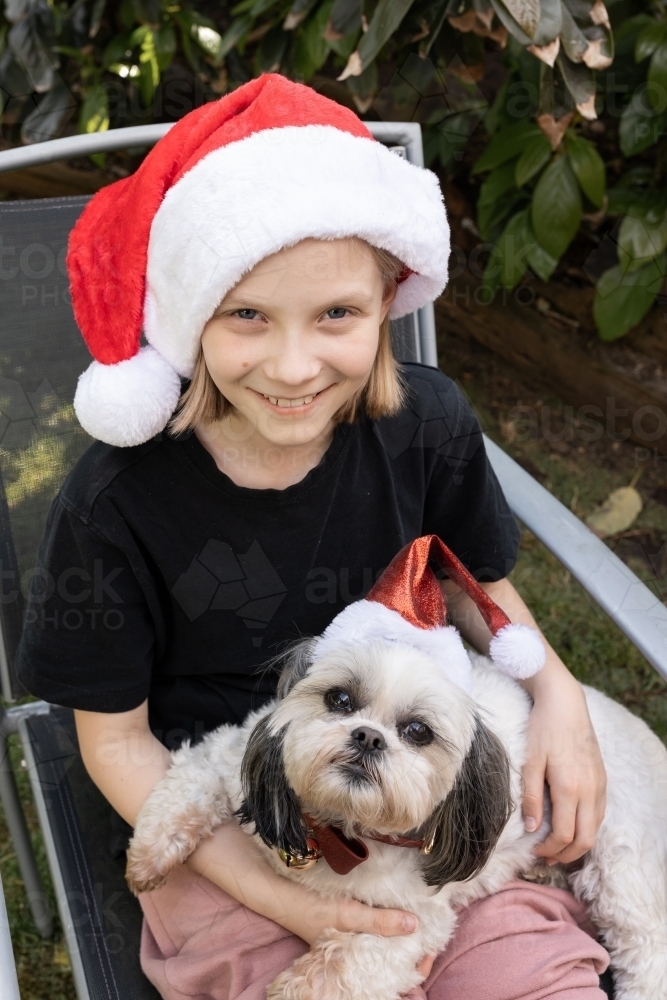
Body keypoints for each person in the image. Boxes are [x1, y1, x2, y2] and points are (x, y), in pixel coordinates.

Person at [17, 74, 609, 999]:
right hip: (226, 821)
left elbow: (467, 583)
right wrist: (284, 900)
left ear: (388, 301)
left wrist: (560, 697)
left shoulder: (426, 423)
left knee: (530, 977)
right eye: (245, 314)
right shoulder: (113, 504)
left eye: (337, 314)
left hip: (427, 803)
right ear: (183, 318)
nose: (293, 368)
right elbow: (118, 745)